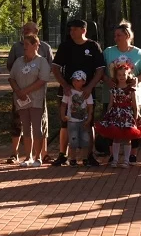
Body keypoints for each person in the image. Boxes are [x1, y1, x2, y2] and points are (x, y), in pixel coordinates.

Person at [51, 19, 105, 166]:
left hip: (86, 94)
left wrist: (90, 87)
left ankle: (89, 156)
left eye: (75, 29)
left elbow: (100, 70)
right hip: (68, 93)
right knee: (65, 123)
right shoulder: (65, 46)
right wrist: (65, 85)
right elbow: (55, 68)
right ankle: (63, 155)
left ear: (83, 30)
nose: (71, 32)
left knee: (88, 123)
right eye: (70, 30)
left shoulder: (93, 46)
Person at [102, 20, 141, 164]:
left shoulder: (138, 53)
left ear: (127, 36)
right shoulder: (108, 52)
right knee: (112, 124)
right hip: (113, 94)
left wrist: (137, 79)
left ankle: (132, 155)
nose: (116, 38)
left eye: (119, 35)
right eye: (115, 35)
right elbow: (100, 70)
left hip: (132, 95)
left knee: (132, 124)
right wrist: (107, 80)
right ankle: (113, 155)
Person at [6, 21, 53, 164]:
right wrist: (18, 91)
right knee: (26, 128)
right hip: (21, 100)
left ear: (35, 45)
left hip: (36, 100)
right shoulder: (19, 61)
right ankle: (28, 157)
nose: (24, 47)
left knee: (37, 127)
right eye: (24, 44)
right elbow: (11, 77)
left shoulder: (42, 61)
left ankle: (38, 157)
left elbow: (43, 79)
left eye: (27, 45)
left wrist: (25, 91)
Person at [96, 63, 141, 168]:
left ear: (128, 75)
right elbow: (111, 103)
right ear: (116, 76)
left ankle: (126, 160)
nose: (121, 77)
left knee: (127, 138)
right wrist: (108, 114)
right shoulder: (113, 89)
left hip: (127, 115)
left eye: (124, 74)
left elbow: (134, 104)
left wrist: (136, 115)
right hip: (116, 114)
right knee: (116, 137)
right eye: (119, 75)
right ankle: (115, 160)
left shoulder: (131, 89)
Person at [59, 71, 94, 167]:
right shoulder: (68, 92)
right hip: (72, 121)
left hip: (84, 121)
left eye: (78, 80)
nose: (75, 82)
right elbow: (63, 105)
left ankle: (85, 158)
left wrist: (89, 117)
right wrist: (62, 115)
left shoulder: (87, 93)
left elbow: (90, 106)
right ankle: (73, 159)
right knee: (73, 140)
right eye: (74, 80)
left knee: (85, 140)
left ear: (84, 81)